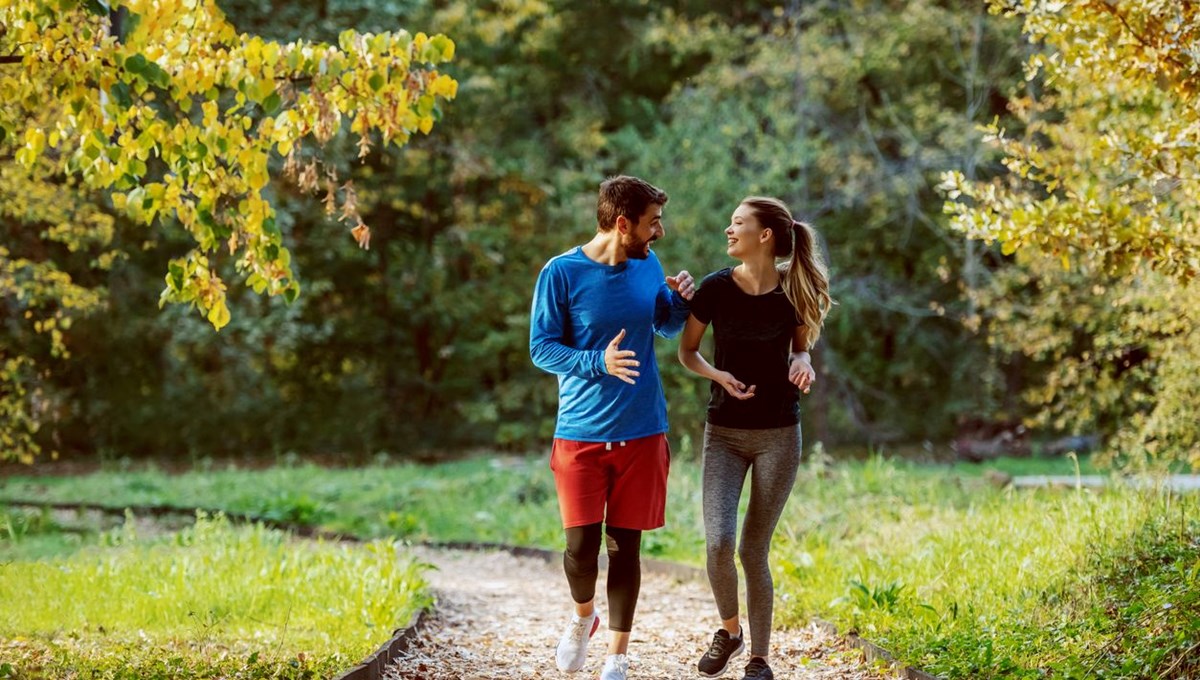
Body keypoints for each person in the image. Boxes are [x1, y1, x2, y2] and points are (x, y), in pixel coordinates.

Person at [529, 175, 695, 680]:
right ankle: (584, 618)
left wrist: (682, 303)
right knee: (581, 551)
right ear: (623, 224)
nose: (659, 232)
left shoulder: (649, 264)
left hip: (643, 431)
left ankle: (618, 659)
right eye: (653, 223)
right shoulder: (561, 273)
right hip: (580, 432)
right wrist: (597, 362)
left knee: (626, 549)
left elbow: (662, 325)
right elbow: (542, 348)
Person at [677, 196, 832, 680]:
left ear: (764, 235)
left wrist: (802, 361)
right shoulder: (715, 289)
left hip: (779, 436)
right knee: (719, 543)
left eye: (738, 223)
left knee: (752, 549)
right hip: (723, 433)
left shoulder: (794, 291)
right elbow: (687, 352)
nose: (729, 230)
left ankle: (760, 659)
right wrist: (720, 377)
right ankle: (729, 630)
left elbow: (801, 350)